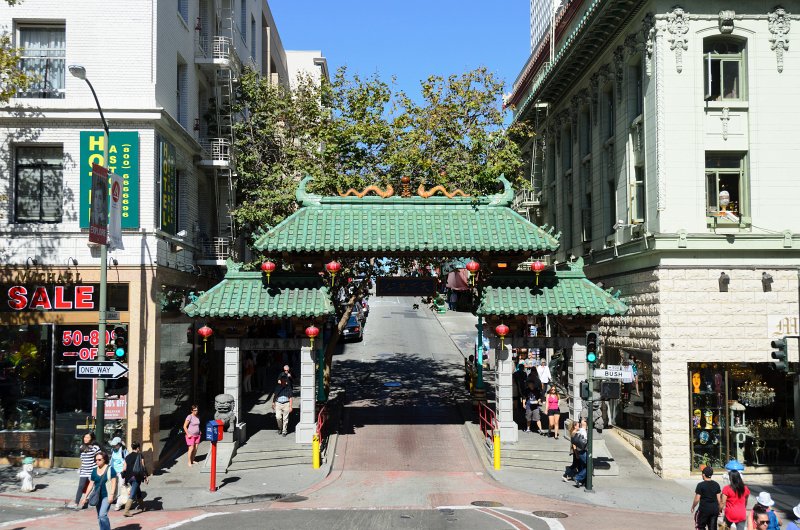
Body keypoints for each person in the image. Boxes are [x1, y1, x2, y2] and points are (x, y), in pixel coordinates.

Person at [82, 450, 117, 530]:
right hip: (97, 495)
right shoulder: (94, 470)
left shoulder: (110, 469)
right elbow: (91, 484)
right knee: (99, 516)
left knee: (102, 515)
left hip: (107, 495)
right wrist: (85, 497)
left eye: (99, 459)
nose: (97, 461)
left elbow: (114, 483)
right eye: (96, 460)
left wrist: (111, 495)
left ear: (104, 459)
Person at [73, 431, 100, 510]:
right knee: (81, 486)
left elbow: (99, 458)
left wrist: (97, 469)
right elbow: (82, 459)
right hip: (84, 470)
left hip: (92, 470)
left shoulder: (95, 447)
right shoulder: (82, 447)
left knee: (95, 487)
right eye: (85, 437)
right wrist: (81, 468)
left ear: (91, 438)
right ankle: (76, 503)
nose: (85, 439)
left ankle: (92, 500)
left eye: (88, 437)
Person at [121, 441, 148, 517]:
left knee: (138, 491)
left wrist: (124, 478)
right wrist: (146, 476)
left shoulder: (127, 456)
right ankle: (126, 511)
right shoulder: (140, 455)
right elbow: (143, 467)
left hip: (129, 477)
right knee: (132, 494)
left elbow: (124, 468)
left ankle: (142, 507)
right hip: (136, 476)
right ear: (138, 448)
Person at [108, 437, 127, 511]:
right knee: (114, 486)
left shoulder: (123, 450)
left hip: (121, 472)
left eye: (115, 445)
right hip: (114, 471)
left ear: (119, 444)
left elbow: (126, 461)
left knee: (121, 486)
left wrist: (124, 471)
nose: (113, 446)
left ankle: (119, 503)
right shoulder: (113, 450)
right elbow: (112, 460)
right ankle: (115, 499)